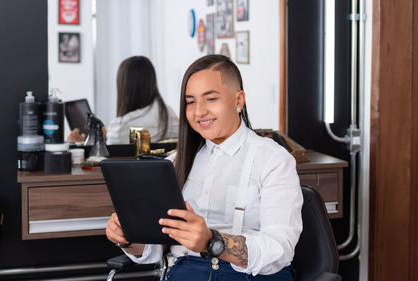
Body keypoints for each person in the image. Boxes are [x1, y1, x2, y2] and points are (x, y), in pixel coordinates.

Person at [106, 55, 303, 280]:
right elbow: (152, 251)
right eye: (190, 101)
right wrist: (128, 238)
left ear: (238, 100)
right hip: (186, 272)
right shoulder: (174, 163)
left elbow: (279, 249)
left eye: (210, 99)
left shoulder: (273, 159)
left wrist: (212, 242)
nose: (199, 112)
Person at [67, 56, 178, 144]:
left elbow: (106, 156)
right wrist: (107, 134)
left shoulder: (121, 127)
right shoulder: (167, 113)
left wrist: (80, 145)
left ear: (124, 87)